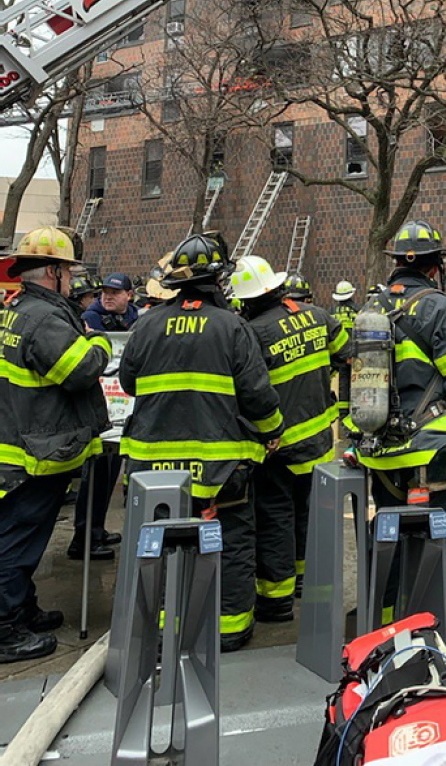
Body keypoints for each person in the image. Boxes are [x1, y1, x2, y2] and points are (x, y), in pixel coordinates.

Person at [119, 233, 284, 652]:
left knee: (157, 544)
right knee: (230, 541)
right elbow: (257, 395)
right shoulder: (232, 327)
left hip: (153, 467)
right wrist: (273, 431)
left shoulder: (146, 324)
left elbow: (128, 383)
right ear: (218, 280)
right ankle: (229, 629)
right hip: (220, 467)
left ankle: (161, 629)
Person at [346, 219, 446, 604]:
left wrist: (354, 439)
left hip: (381, 453)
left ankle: (385, 624)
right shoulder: (440, 308)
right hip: (432, 451)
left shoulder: (371, 308)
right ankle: (428, 625)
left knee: (388, 536)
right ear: (435, 268)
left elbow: (356, 380)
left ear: (397, 262)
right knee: (436, 538)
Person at [0, 227, 111, 663]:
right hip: (34, 454)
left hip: (18, 442)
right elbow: (81, 370)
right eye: (68, 271)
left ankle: (22, 609)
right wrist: (97, 340)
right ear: (53, 272)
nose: (73, 280)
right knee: (17, 541)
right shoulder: (45, 319)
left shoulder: (15, 310)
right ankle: (6, 629)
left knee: (20, 537)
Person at [230, 255, 351, 620]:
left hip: (278, 445)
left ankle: (276, 599)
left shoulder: (252, 332)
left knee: (275, 518)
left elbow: (249, 390)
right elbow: (348, 355)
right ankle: (303, 579)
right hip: (319, 438)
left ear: (247, 300)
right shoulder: (319, 316)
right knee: (306, 511)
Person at [68, 274, 138, 561]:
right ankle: (83, 539)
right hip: (98, 409)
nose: (107, 297)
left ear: (129, 295)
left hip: (122, 408)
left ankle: (96, 530)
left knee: (109, 475)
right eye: (104, 292)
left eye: (114, 292)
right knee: (94, 477)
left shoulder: (136, 319)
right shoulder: (90, 319)